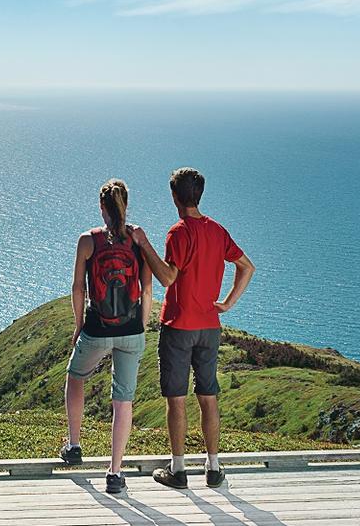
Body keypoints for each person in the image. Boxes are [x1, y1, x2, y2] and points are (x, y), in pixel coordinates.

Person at [146, 167, 255, 489]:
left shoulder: (177, 232)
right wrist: (228, 303)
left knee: (176, 399)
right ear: (199, 195)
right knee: (209, 396)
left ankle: (178, 470)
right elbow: (247, 267)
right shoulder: (218, 231)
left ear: (174, 196)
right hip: (210, 326)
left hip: (178, 325)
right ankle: (213, 467)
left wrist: (144, 246)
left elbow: (168, 278)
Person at [61, 178, 169, 494]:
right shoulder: (138, 239)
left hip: (97, 328)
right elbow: (148, 289)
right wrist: (143, 322)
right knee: (123, 400)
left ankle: (75, 444)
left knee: (75, 375)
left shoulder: (87, 240)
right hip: (131, 330)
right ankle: (115, 472)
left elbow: (78, 288)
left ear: (101, 207)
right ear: (127, 204)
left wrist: (79, 324)